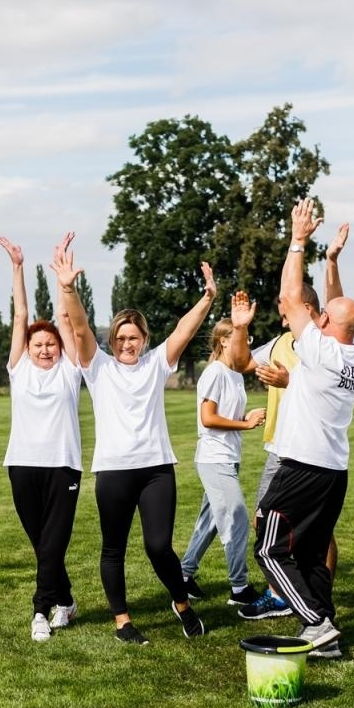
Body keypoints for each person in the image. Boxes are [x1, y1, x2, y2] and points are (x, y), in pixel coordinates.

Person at [62, 246, 214, 645]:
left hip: (156, 470)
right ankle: (123, 621)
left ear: (145, 340)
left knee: (159, 546)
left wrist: (208, 297)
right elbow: (78, 329)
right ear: (111, 340)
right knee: (113, 548)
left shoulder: (156, 365)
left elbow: (184, 330)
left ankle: (181, 604)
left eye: (134, 337)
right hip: (113, 471)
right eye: (121, 337)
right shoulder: (98, 367)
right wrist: (67, 289)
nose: (127, 343)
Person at [249, 200, 354, 652]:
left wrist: (298, 240)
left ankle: (314, 622)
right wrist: (333, 262)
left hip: (301, 466)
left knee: (269, 547)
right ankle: (329, 639)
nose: (315, 316)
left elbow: (289, 297)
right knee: (313, 552)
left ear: (325, 325)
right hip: (333, 470)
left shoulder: (319, 351)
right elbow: (337, 309)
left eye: (320, 317)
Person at [224, 223, 349, 622]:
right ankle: (287, 596)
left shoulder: (326, 347)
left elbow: (334, 308)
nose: (281, 317)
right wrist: (240, 328)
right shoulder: (281, 343)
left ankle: (311, 602)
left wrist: (288, 380)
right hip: (281, 446)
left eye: (285, 312)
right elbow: (243, 363)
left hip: (310, 455)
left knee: (310, 533)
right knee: (277, 525)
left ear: (311, 312)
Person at [2, 233, 88, 642]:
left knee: (52, 543)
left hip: (63, 465)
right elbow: (21, 316)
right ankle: (66, 600)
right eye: (39, 344)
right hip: (21, 465)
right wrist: (18, 268)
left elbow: (65, 319)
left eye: (50, 344)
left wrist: (61, 276)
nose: (45, 349)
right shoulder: (18, 369)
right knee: (43, 544)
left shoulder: (70, 372)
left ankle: (41, 610)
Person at [179, 301, 267, 609]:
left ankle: (184, 576)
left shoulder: (236, 375)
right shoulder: (215, 372)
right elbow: (208, 417)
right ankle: (239, 588)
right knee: (237, 517)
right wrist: (245, 423)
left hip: (228, 457)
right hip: (214, 458)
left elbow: (226, 413)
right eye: (241, 337)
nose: (246, 343)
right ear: (224, 341)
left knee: (210, 521)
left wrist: (247, 414)